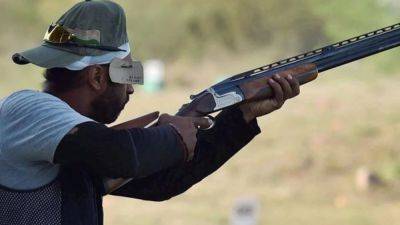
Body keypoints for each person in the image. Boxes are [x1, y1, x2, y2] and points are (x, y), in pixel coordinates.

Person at [0, 1, 302, 225]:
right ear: (96, 78)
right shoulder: (26, 109)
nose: (131, 89)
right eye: (127, 74)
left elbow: (164, 182)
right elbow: (121, 155)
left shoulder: (76, 147)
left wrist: (242, 115)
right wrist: (172, 133)